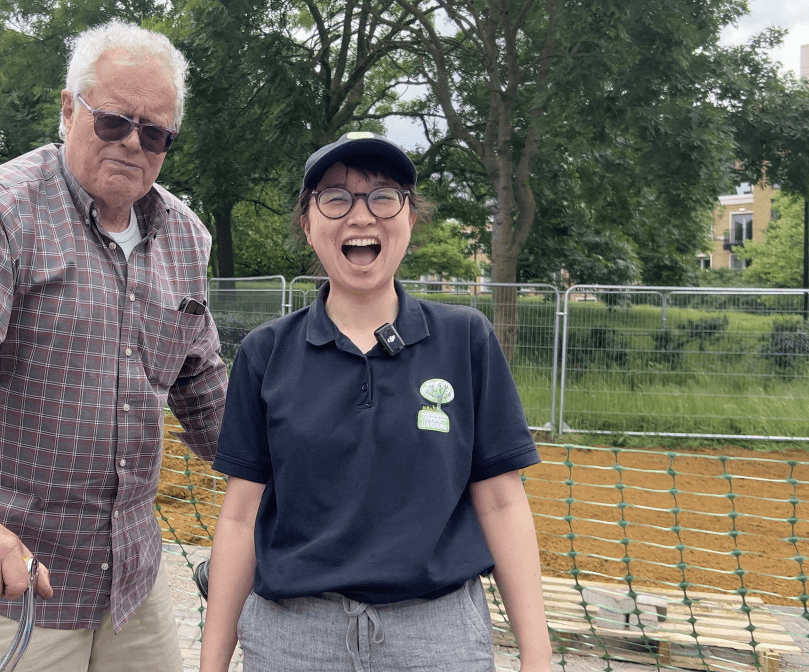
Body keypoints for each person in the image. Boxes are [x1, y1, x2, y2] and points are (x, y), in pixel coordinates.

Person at [0, 20, 227, 672]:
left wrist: (293, 485)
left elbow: (204, 386)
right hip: (15, 578)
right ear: (69, 108)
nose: (134, 144)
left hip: (133, 581)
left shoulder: (186, 237)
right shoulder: (1, 208)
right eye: (114, 122)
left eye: (154, 133)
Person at [198, 132, 551, 672]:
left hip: (438, 641)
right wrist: (212, 662)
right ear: (307, 223)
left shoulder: (466, 341)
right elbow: (240, 519)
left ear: (410, 218)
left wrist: (538, 655)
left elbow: (502, 502)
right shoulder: (264, 353)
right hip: (294, 641)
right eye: (336, 198)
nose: (361, 216)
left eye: (383, 196)